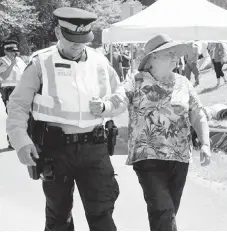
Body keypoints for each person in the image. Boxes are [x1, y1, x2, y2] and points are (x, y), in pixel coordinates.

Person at [6, 7, 127, 230]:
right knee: (59, 217)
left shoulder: (100, 62)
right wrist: (20, 140)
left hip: (94, 149)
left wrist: (106, 106)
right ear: (57, 32)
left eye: (83, 39)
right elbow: (18, 105)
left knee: (102, 214)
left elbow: (121, 96)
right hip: (55, 150)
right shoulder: (40, 63)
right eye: (72, 38)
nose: (78, 44)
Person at [123, 34, 211, 230]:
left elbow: (197, 114)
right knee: (164, 210)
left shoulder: (184, 83)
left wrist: (205, 144)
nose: (175, 58)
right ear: (153, 58)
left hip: (179, 158)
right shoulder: (136, 81)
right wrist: (103, 106)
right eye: (169, 54)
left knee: (166, 211)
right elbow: (118, 99)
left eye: (176, 54)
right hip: (147, 157)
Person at [0, 40, 26, 149]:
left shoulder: (20, 60)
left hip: (21, 89)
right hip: (9, 90)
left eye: (15, 50)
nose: (13, 53)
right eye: (11, 51)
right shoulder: (2, 61)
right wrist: (11, 65)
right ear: (5, 51)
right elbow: (4, 76)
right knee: (13, 116)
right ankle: (12, 141)